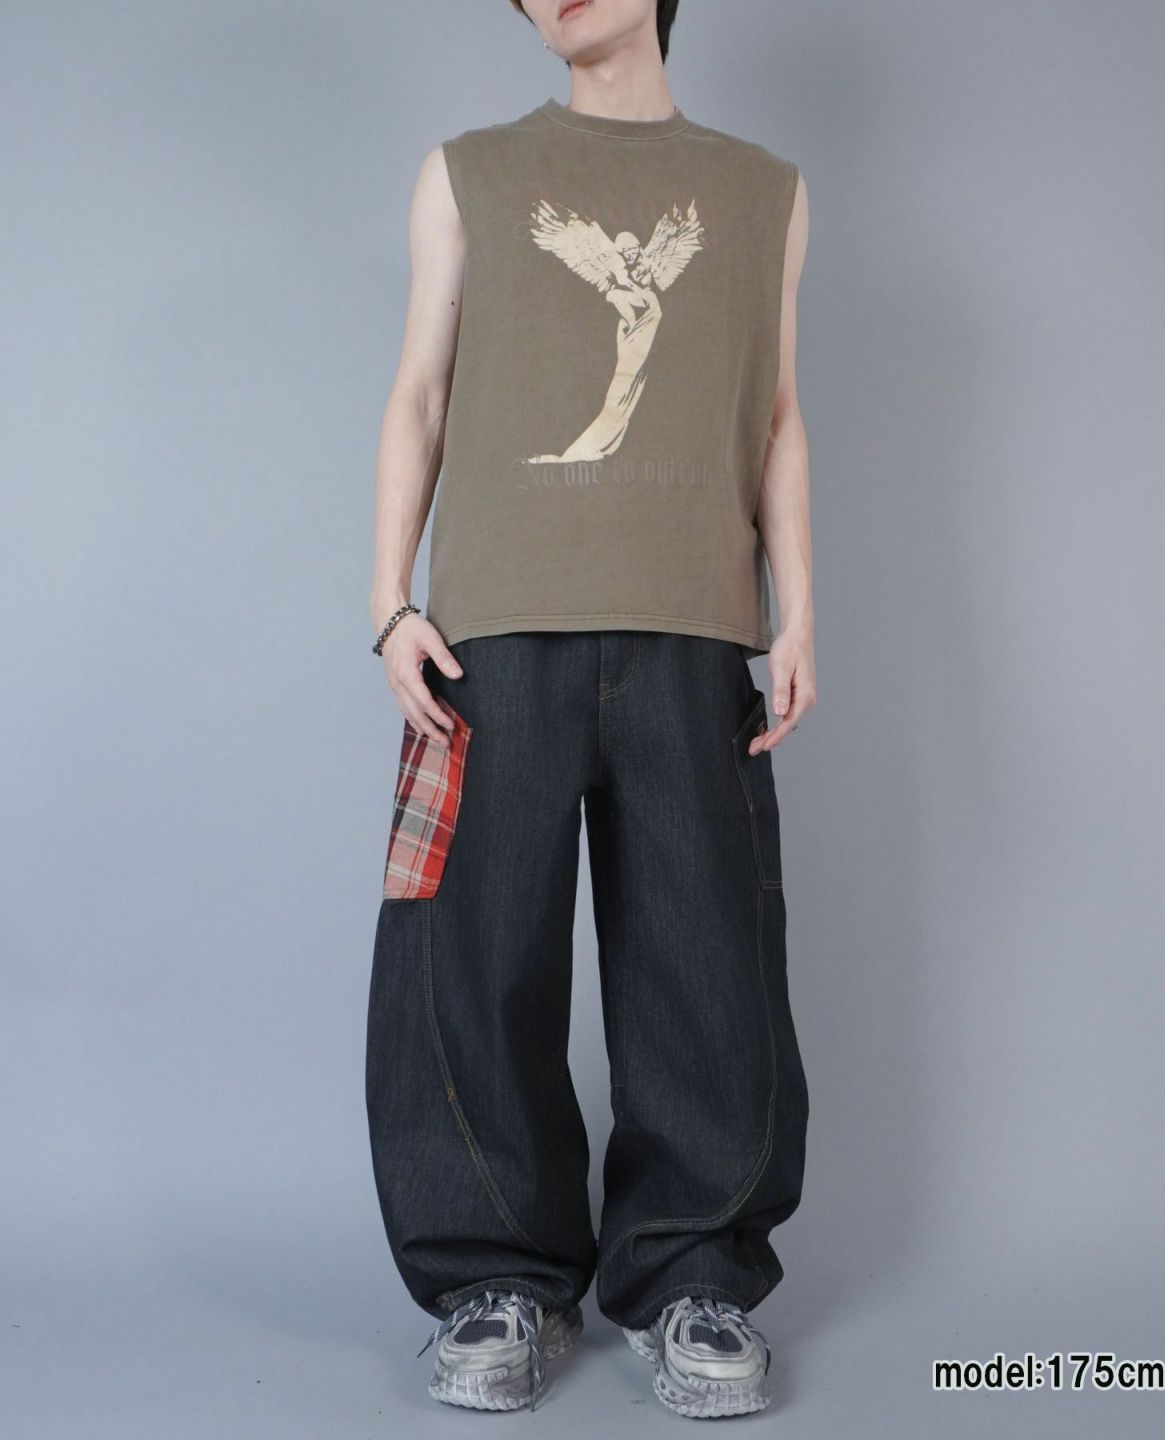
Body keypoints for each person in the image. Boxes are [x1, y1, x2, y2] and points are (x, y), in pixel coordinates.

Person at [364, 0, 814, 1418]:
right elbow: (420, 392)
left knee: (706, 961)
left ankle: (693, 1276)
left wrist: (802, 610)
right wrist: (388, 601)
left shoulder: (764, 191)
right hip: (493, 637)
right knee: (470, 953)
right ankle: (494, 1276)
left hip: (695, 628)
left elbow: (776, 412)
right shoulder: (468, 172)